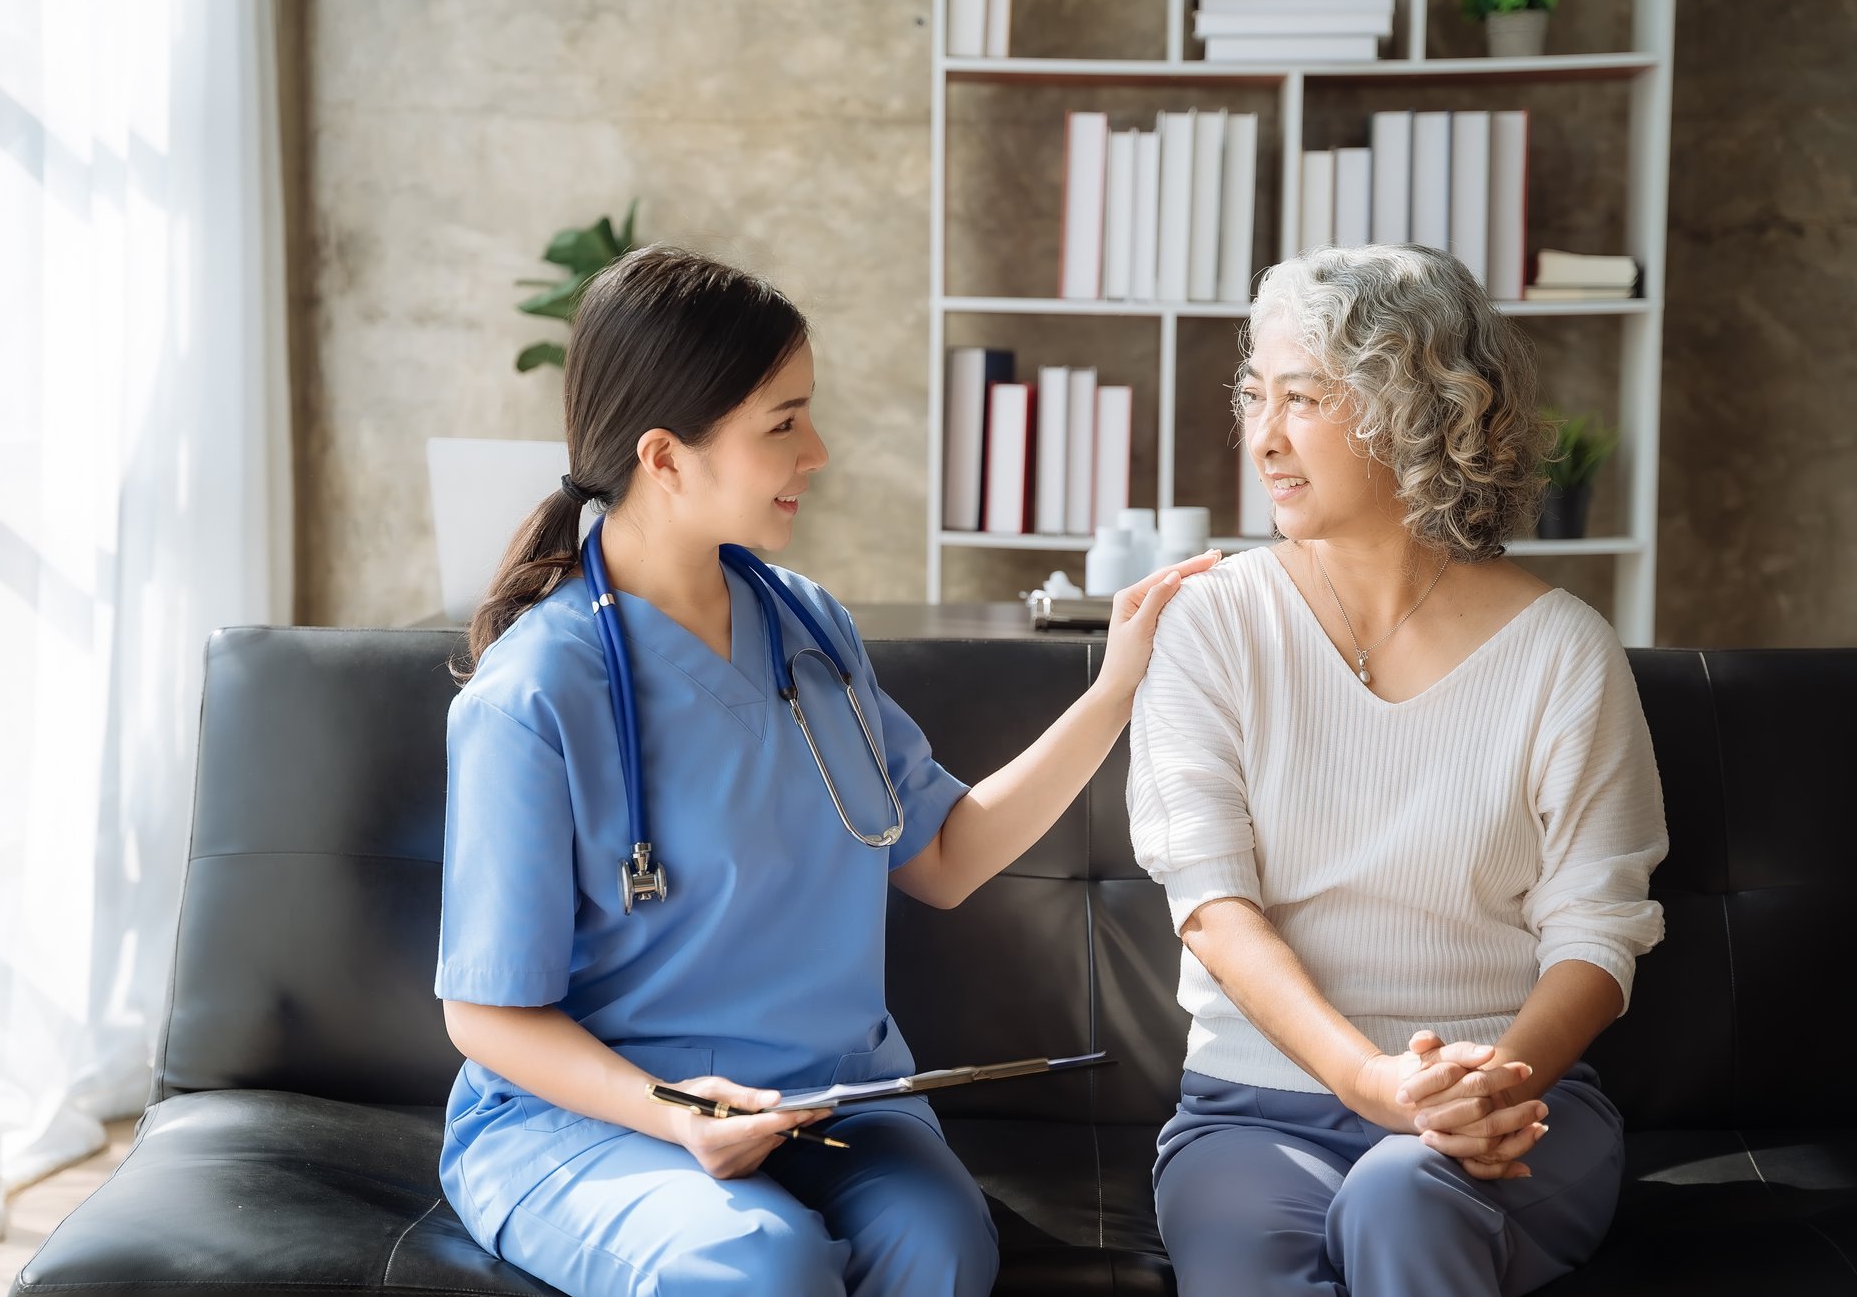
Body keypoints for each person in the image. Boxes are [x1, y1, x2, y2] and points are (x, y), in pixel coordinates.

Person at [436, 243, 1218, 1297]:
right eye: (782, 422)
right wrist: (677, 1110)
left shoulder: (807, 625)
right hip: (592, 1118)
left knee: (937, 1245)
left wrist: (1114, 686)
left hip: (830, 1100)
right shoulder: (533, 694)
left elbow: (941, 855)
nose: (819, 450)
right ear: (665, 458)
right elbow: (484, 1014)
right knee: (756, 1263)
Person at [1129, 244, 1668, 1296]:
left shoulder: (1563, 650)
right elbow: (1209, 900)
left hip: (1509, 1097)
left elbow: (1598, 935)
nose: (1263, 438)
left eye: (1302, 399)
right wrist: (1372, 1083)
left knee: (1404, 1192)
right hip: (1252, 1108)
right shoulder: (1213, 624)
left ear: (1410, 410)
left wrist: (1473, 1092)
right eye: (1253, 398)